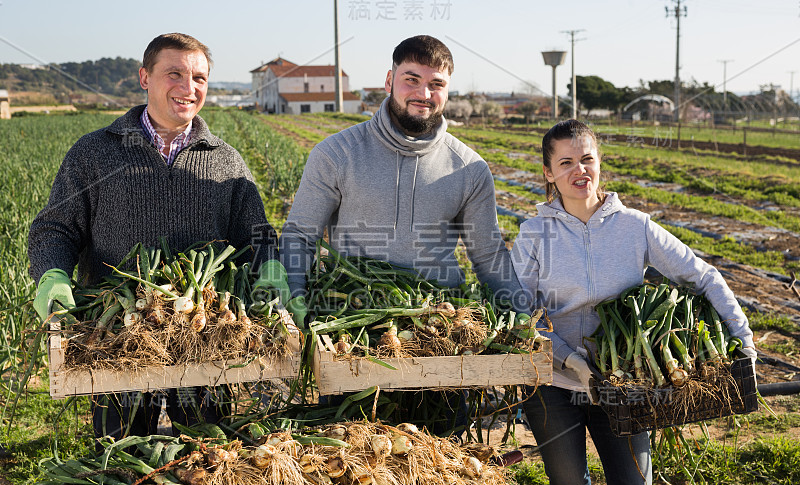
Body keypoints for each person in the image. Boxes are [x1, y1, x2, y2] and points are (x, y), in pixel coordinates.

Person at [28, 33, 279, 444]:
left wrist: (270, 266)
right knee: (121, 450)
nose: (188, 87)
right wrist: (52, 273)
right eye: (174, 74)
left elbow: (256, 234)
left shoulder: (225, 159)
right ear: (145, 77)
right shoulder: (94, 152)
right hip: (116, 332)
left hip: (205, 330)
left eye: (199, 77)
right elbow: (55, 227)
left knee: (208, 452)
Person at [510, 119, 755, 485]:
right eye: (566, 162)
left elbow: (703, 276)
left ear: (600, 162)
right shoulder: (535, 234)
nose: (579, 171)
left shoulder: (634, 226)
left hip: (624, 383)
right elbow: (521, 316)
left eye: (587, 159)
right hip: (552, 383)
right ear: (548, 174)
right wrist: (570, 361)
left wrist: (741, 338)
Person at [279, 35, 522, 434]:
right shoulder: (337, 153)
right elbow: (299, 237)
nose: (423, 93)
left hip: (439, 334)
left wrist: (520, 314)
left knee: (443, 465)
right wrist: (296, 308)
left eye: (436, 84)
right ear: (389, 79)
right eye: (412, 79)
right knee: (353, 467)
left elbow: (489, 253)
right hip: (352, 330)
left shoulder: (469, 168)